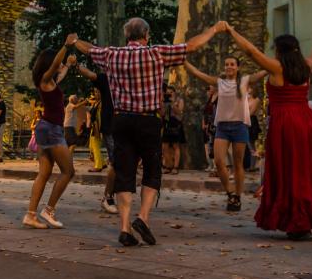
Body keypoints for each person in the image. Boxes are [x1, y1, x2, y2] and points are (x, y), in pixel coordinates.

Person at [72, 18, 226, 246]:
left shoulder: (112, 55)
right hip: (148, 121)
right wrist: (214, 29)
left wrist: (74, 40)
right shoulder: (157, 53)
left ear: (127, 37)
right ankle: (142, 218)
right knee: (152, 171)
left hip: (121, 120)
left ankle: (124, 227)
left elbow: (89, 48)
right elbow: (191, 46)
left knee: (124, 172)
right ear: (146, 36)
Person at [225, 26, 312, 239]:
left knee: (287, 170)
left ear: (280, 51)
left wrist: (232, 32)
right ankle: (308, 218)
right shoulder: (306, 66)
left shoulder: (276, 68)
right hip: (306, 123)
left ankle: (295, 222)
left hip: (285, 124)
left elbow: (251, 52)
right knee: (306, 171)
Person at [184, 58, 267, 212]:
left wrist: (277, 62)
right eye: (227, 64)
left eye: (232, 64)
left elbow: (262, 72)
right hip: (222, 127)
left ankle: (237, 196)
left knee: (238, 164)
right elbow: (198, 73)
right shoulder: (219, 82)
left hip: (239, 127)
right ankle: (230, 192)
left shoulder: (244, 81)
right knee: (219, 161)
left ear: (237, 67)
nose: (229, 67)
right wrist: (184, 61)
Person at [23, 40, 75, 229]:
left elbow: (60, 72)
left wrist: (68, 64)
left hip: (45, 128)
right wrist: (66, 45)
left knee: (44, 173)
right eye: (56, 62)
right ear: (49, 63)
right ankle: (49, 210)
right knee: (68, 171)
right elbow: (55, 66)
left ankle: (30, 215)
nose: (59, 65)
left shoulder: (50, 81)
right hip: (51, 129)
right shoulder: (45, 79)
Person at [73, 60, 118, 214]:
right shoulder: (106, 79)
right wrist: (76, 65)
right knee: (116, 163)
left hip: (128, 125)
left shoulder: (129, 80)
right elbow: (90, 75)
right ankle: (109, 197)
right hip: (111, 128)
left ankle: (116, 196)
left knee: (123, 164)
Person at [161, 85, 186, 175]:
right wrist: (163, 103)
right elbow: (162, 114)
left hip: (176, 124)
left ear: (174, 92)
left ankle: (175, 167)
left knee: (176, 146)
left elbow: (179, 112)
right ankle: (168, 166)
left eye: (171, 92)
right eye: (168, 92)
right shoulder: (165, 101)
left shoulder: (179, 100)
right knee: (165, 146)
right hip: (167, 124)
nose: (169, 94)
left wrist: (172, 104)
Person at [202, 84, 218, 173]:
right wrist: (204, 123)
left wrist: (210, 124)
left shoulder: (218, 98)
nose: (209, 90)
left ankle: (216, 165)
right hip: (207, 125)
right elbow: (204, 113)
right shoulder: (209, 99)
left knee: (214, 145)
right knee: (208, 145)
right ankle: (211, 164)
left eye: (210, 87)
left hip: (214, 125)